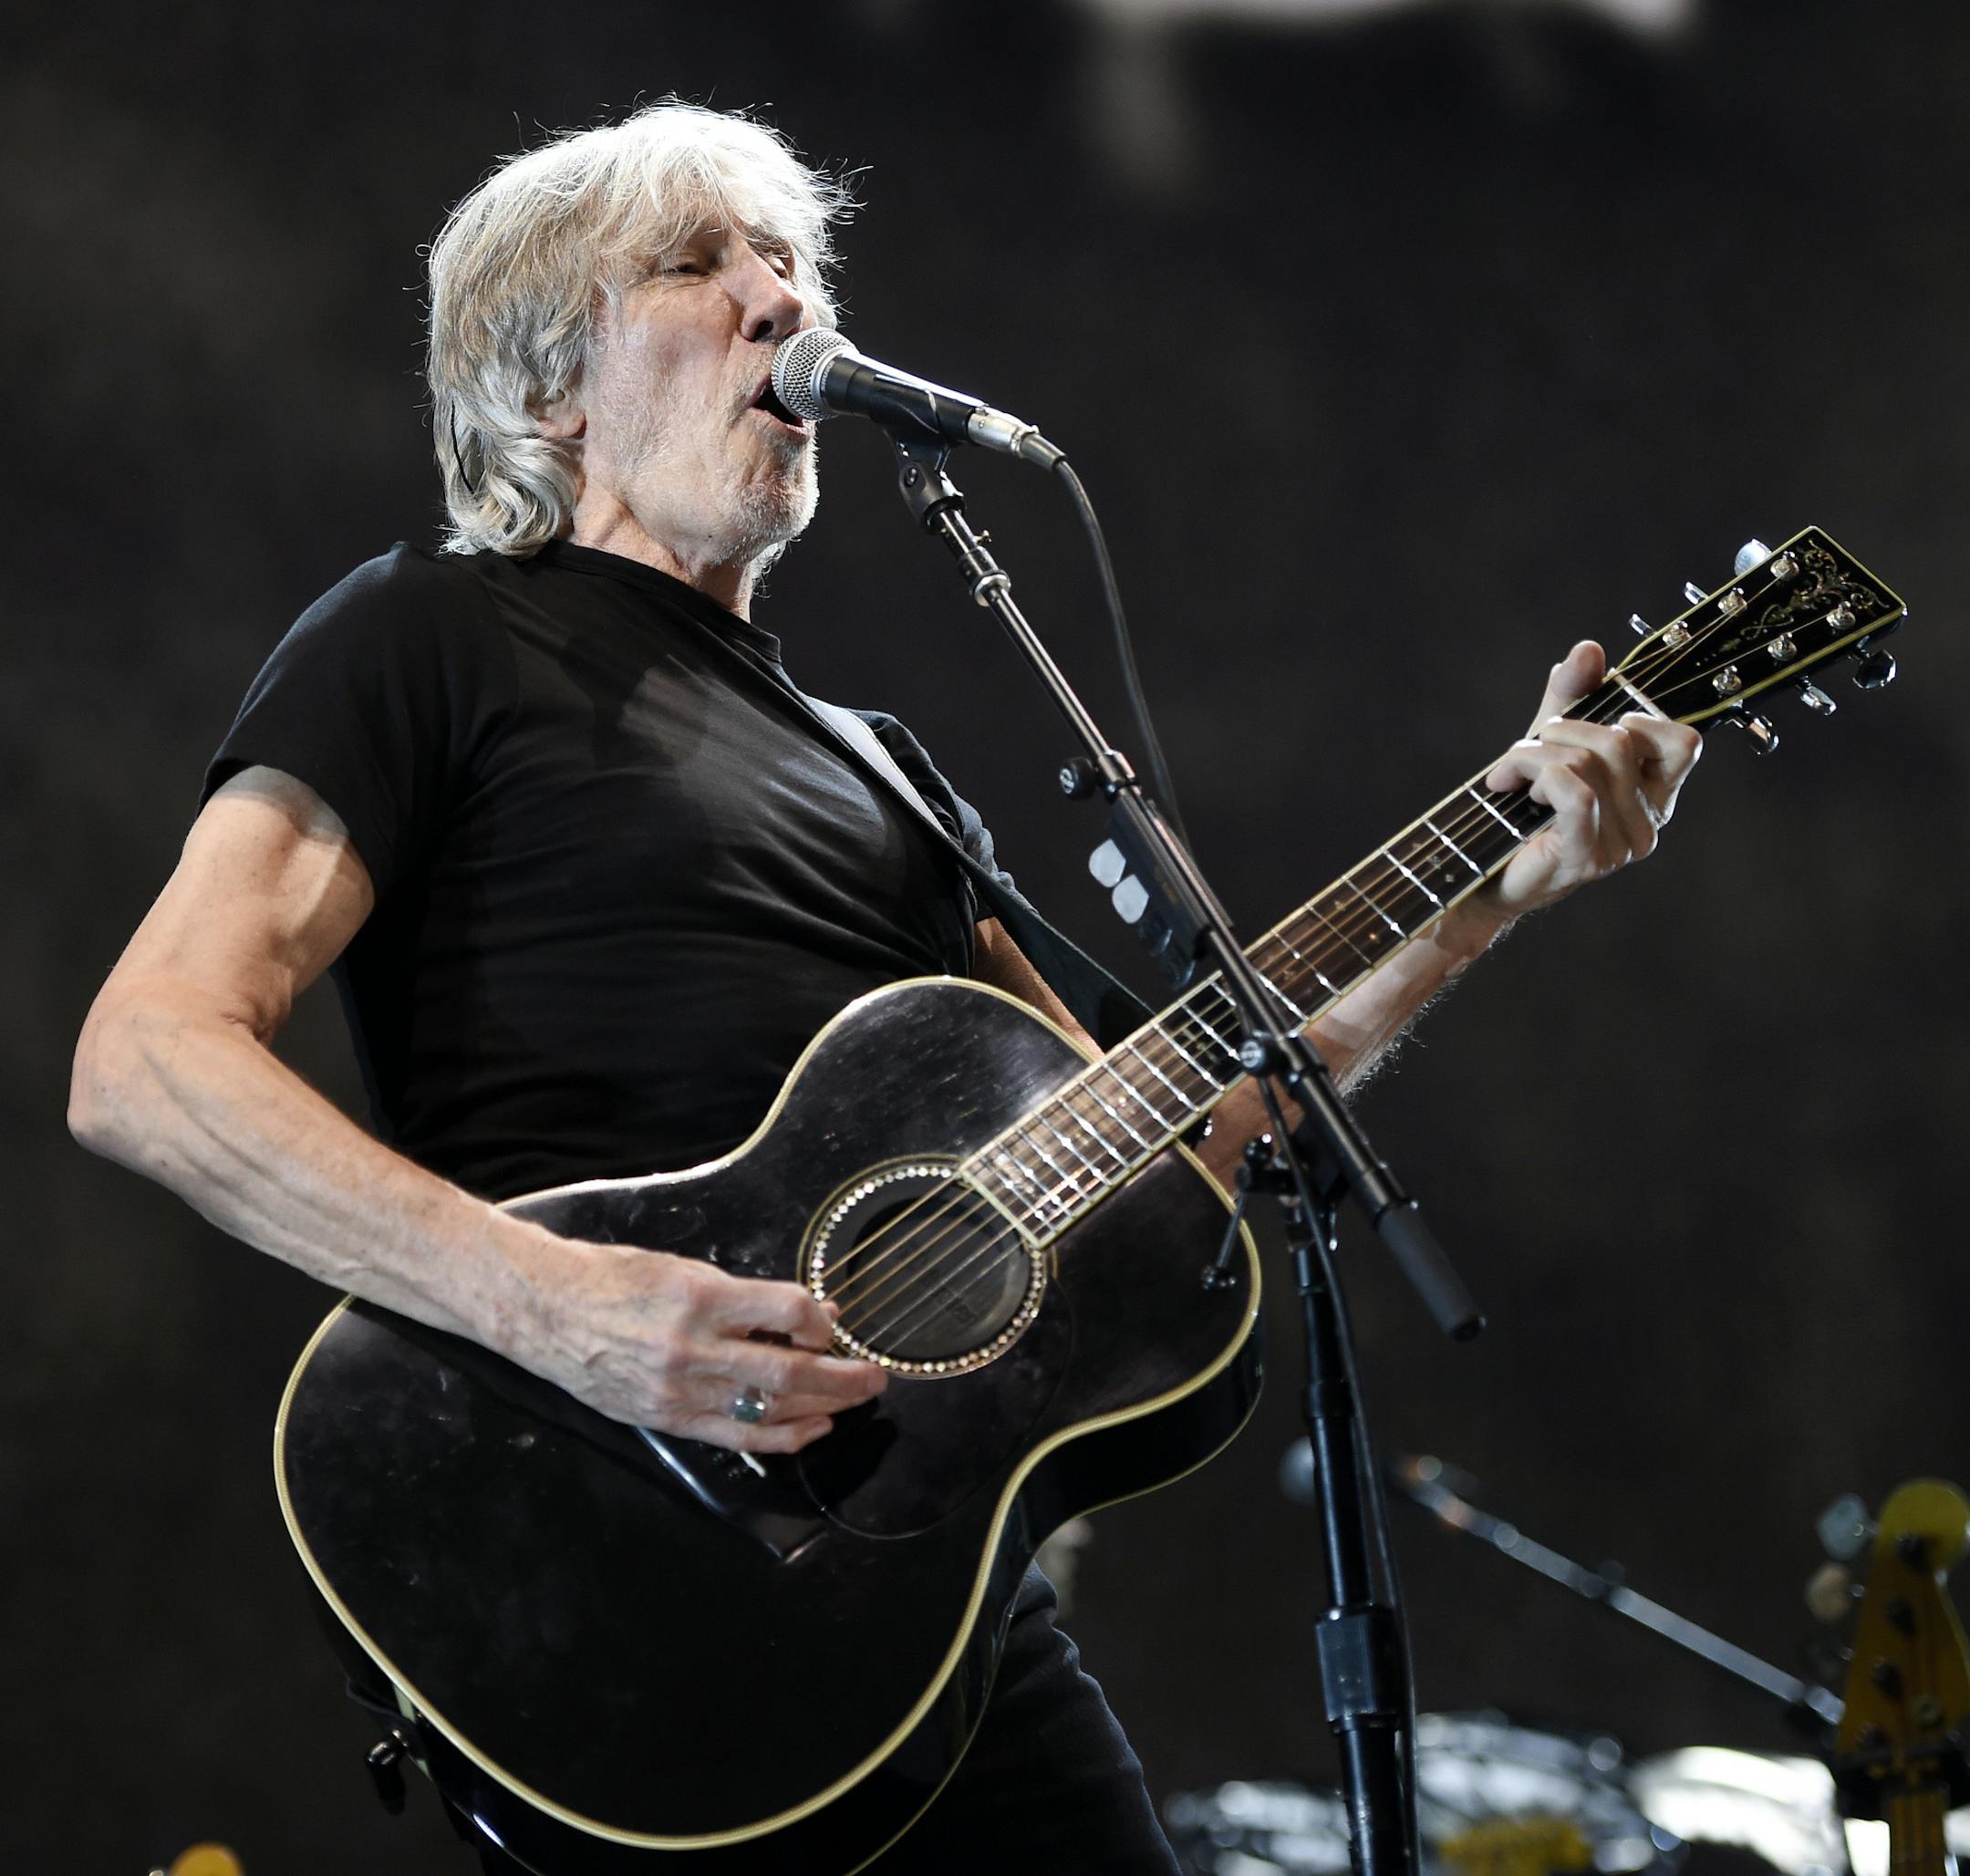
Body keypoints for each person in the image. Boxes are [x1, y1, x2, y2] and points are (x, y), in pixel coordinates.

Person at [68, 101, 1701, 1873]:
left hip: (934, 1614)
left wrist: (1489, 896)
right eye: (697, 265)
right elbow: (145, 1058)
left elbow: (1168, 1147)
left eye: (794, 262)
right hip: (594, 1549)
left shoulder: (892, 772)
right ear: (547, 392)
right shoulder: (428, 635)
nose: (780, 301)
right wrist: (560, 1308)